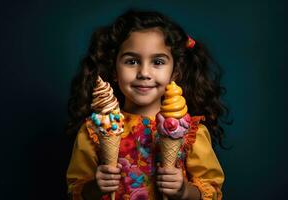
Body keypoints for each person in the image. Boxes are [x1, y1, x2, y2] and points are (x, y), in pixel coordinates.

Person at [66, 9, 230, 200]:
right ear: (114, 71)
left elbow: (211, 191)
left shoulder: (190, 132)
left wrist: (184, 191)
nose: (144, 72)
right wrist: (95, 187)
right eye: (132, 61)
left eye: (158, 61)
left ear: (174, 72)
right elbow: (76, 191)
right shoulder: (94, 131)